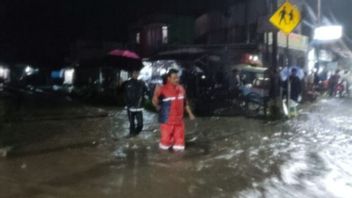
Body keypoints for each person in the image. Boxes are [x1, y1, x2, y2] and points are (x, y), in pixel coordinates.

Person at [152, 69, 196, 152]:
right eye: (174, 78)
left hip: (179, 121)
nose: (177, 79)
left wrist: (190, 114)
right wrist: (156, 102)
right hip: (166, 121)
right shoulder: (162, 89)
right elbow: (154, 102)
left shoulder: (181, 89)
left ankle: (178, 163)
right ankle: (163, 161)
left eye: (178, 78)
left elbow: (185, 103)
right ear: (168, 78)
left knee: (179, 146)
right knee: (165, 144)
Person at [123, 70, 148, 137]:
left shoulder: (141, 83)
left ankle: (135, 133)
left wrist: (144, 99)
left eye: (137, 73)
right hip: (130, 107)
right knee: (131, 123)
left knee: (140, 124)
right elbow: (124, 94)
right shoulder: (127, 83)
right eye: (134, 73)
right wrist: (127, 104)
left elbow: (147, 92)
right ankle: (131, 134)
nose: (136, 74)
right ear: (132, 74)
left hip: (139, 107)